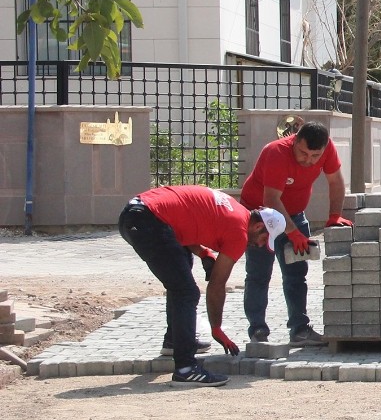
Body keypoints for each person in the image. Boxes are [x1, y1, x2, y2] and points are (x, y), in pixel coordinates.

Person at [119, 186, 284, 386]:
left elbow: (185, 220)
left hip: (138, 213)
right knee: (187, 292)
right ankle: (186, 369)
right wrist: (216, 328)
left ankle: (175, 341)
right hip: (148, 221)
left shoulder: (234, 209)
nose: (259, 245)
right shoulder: (239, 233)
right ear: (258, 227)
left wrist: (203, 253)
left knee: (182, 269)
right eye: (263, 239)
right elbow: (216, 285)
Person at [239, 120, 347, 345]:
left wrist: (334, 215)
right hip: (260, 217)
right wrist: (294, 233)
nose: (308, 160)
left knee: (296, 275)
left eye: (314, 156)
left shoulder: (328, 149)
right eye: (303, 153)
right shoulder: (276, 152)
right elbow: (271, 201)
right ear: (295, 140)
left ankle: (299, 330)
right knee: (259, 274)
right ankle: (258, 331)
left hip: (295, 214)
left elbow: (336, 181)